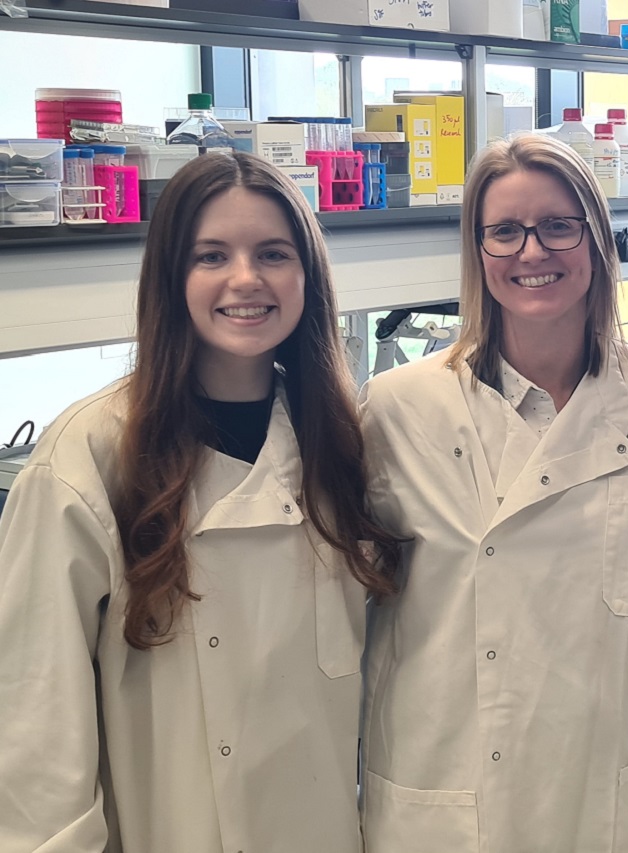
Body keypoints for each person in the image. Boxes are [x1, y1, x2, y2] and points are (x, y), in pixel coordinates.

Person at [0, 152, 402, 852]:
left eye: (273, 253)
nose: (245, 279)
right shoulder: (90, 455)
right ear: (171, 277)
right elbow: (35, 718)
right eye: (211, 255)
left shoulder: (339, 444)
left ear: (308, 275)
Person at [358, 133, 628, 852]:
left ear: (597, 241)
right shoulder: (398, 406)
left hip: (594, 793)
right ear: (477, 251)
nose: (532, 253)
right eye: (505, 231)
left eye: (558, 226)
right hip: (445, 786)